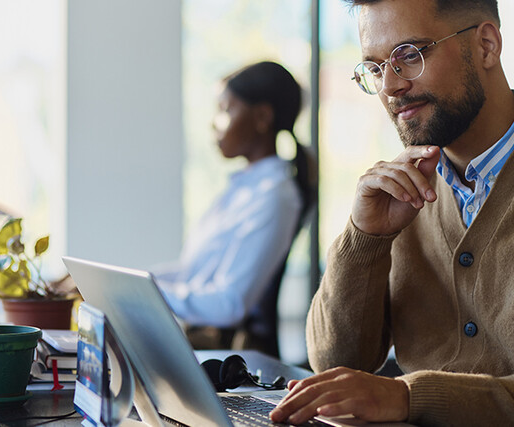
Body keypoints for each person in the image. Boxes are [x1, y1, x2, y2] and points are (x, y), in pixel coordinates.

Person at [269, 0, 514, 425]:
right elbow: (334, 361)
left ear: (487, 45)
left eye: (409, 55)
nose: (390, 87)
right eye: (376, 67)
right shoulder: (400, 191)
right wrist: (365, 237)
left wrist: (407, 396)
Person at [153, 61, 314, 357]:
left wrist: (147, 294)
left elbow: (230, 304)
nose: (214, 122)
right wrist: (131, 285)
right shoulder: (242, 189)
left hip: (227, 359)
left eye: (226, 110)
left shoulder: (274, 196)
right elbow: (191, 274)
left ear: (262, 116)